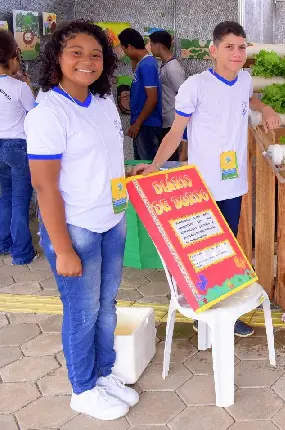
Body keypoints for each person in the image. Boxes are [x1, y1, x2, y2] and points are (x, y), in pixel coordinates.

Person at [132, 21, 280, 337]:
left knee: (226, 253)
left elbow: (249, 99)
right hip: (202, 188)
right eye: (229, 47)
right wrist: (156, 166)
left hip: (234, 184)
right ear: (213, 51)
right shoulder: (195, 86)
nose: (237, 53)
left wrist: (265, 108)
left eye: (242, 47)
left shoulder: (244, 80)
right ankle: (204, 314)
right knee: (202, 253)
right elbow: (175, 133)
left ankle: (224, 314)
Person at [25, 20, 138, 420]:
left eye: (96, 54)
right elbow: (44, 187)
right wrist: (63, 249)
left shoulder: (103, 101)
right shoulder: (48, 113)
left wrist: (127, 177)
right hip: (78, 229)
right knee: (82, 311)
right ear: (56, 56)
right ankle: (83, 389)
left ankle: (104, 374)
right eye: (76, 52)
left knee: (107, 306)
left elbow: (104, 159)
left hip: (113, 219)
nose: (87, 61)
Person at [0, 30, 36, 265]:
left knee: (4, 198)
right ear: (11, 58)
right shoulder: (19, 87)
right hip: (18, 147)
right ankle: (22, 253)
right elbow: (35, 115)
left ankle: (3, 244)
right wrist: (28, 85)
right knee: (20, 200)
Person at [118, 27, 163, 161]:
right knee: (139, 166)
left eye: (124, 49)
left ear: (130, 46)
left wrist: (137, 123)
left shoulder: (147, 65)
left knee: (147, 168)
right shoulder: (142, 63)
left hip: (146, 125)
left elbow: (152, 98)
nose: (125, 53)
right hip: (142, 124)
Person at [148, 30, 186, 161]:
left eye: (151, 44)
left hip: (171, 121)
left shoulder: (173, 68)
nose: (150, 48)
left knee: (170, 160)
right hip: (164, 120)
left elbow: (183, 95)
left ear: (158, 45)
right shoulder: (165, 66)